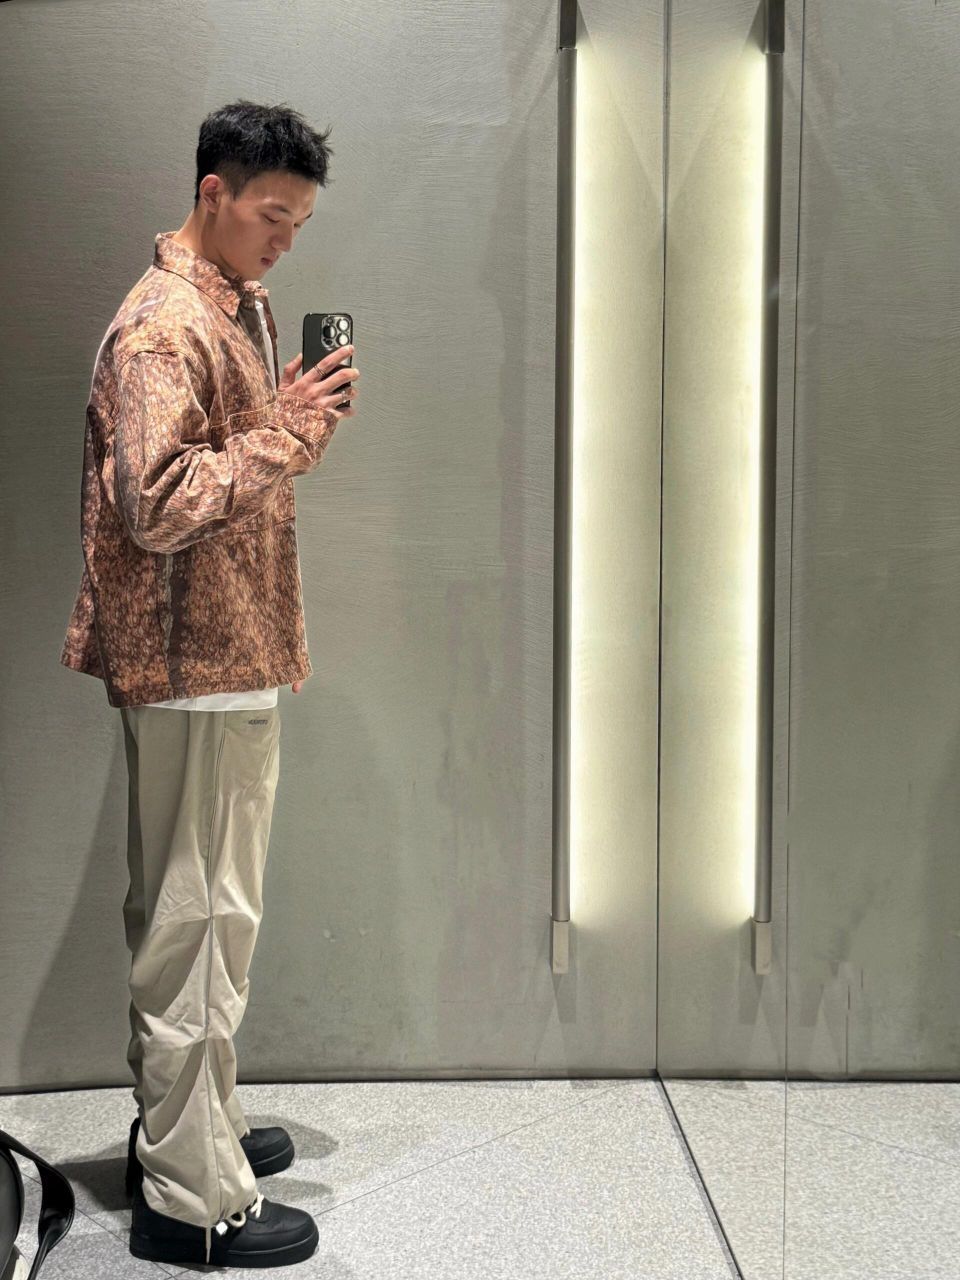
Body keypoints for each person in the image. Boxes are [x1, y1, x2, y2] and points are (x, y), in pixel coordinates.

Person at [58, 99, 361, 1268]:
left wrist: (278, 418)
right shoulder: (165, 326)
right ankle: (191, 1198)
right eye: (272, 215)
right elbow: (156, 499)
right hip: (194, 663)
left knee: (204, 919)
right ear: (212, 193)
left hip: (224, 654)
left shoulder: (228, 302)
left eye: (299, 224)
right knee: (196, 925)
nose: (284, 240)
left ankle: (194, 1126)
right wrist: (285, 433)